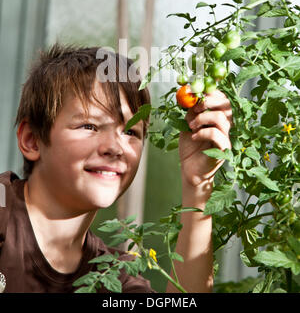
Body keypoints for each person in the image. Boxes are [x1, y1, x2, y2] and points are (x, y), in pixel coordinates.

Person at [0, 43, 232, 293]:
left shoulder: (113, 277)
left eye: (131, 131)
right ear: (32, 140)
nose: (115, 147)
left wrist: (197, 186)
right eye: (89, 126)